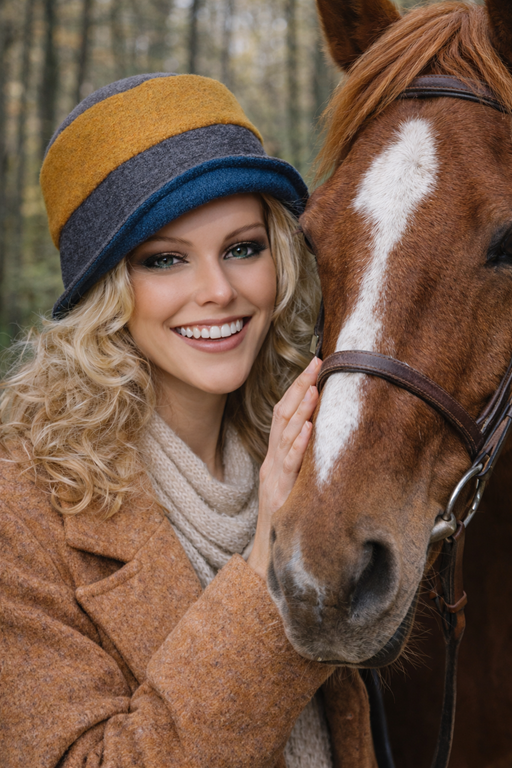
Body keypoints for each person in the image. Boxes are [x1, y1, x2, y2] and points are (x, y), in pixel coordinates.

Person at [0, 73, 374, 766]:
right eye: (165, 259)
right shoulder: (20, 516)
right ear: (106, 290)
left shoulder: (308, 441)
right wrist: (267, 555)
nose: (218, 292)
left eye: (242, 248)